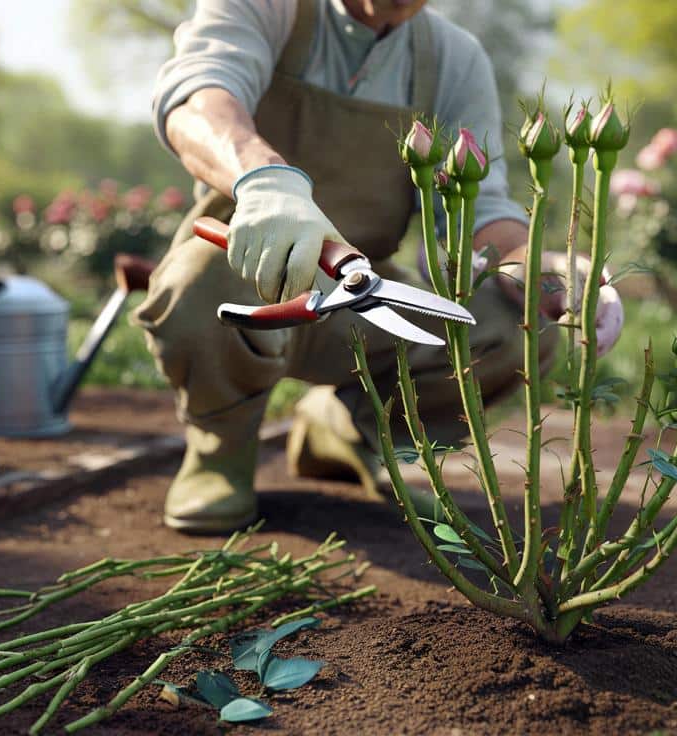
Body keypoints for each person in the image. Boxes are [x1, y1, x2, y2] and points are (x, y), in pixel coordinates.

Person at [136, 0, 621, 533]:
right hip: (245, 269)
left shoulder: (453, 59)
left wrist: (545, 272)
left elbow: (482, 212)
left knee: (517, 324)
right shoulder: (267, 7)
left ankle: (360, 430)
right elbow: (196, 98)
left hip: (358, 296)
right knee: (198, 283)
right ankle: (218, 450)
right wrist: (265, 181)